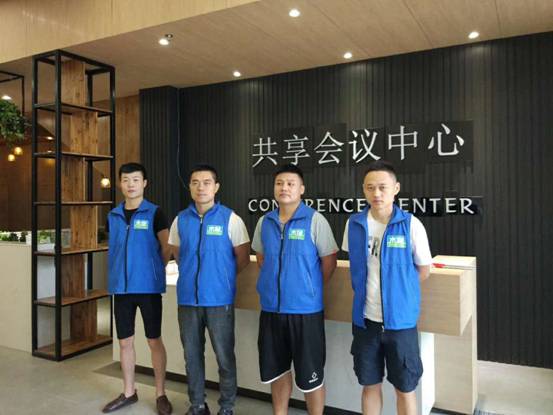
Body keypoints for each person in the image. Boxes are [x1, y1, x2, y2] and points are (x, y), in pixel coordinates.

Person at [342, 160, 432, 415]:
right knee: (369, 385)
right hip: (365, 321)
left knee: (405, 388)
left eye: (383, 187)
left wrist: (399, 293)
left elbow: (423, 270)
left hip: (400, 323)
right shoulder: (354, 224)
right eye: (370, 188)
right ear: (363, 190)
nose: (377, 193)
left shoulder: (410, 225)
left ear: (396, 189)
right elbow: (355, 265)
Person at [252, 163, 338, 415]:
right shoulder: (264, 222)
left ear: (302, 189)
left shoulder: (315, 220)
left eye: (291, 183)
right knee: (277, 372)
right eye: (279, 183)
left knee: (312, 376)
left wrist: (306, 289)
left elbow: (329, 262)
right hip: (272, 310)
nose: (284, 188)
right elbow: (261, 258)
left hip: (305, 312)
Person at [169, 164, 250, 415]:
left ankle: (226, 407)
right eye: (195, 182)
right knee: (192, 356)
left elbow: (242, 258)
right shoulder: (180, 220)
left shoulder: (231, 219)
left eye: (206, 182)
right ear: (190, 187)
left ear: (216, 187)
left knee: (225, 357)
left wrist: (220, 279)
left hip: (219, 301)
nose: (200, 187)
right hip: (187, 301)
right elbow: (178, 254)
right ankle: (197, 405)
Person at [103, 162, 173, 415]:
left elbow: (166, 247)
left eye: (135, 180)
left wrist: (152, 270)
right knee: (125, 342)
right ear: (120, 184)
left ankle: (161, 394)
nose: (130, 184)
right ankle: (129, 392)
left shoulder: (155, 213)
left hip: (148, 288)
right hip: (121, 289)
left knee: (154, 340)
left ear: (144, 183)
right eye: (125, 180)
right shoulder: (113, 215)